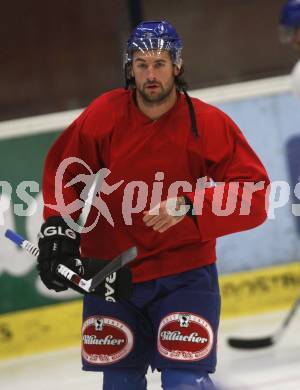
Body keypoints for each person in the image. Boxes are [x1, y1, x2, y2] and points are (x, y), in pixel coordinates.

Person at [36, 20, 270, 390]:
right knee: (120, 384)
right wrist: (58, 226)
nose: (150, 74)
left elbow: (255, 194)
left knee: (184, 382)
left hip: (185, 274)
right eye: (141, 63)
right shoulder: (105, 114)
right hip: (110, 275)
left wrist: (191, 204)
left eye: (159, 63)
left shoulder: (208, 124)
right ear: (129, 67)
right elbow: (66, 171)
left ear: (177, 66)